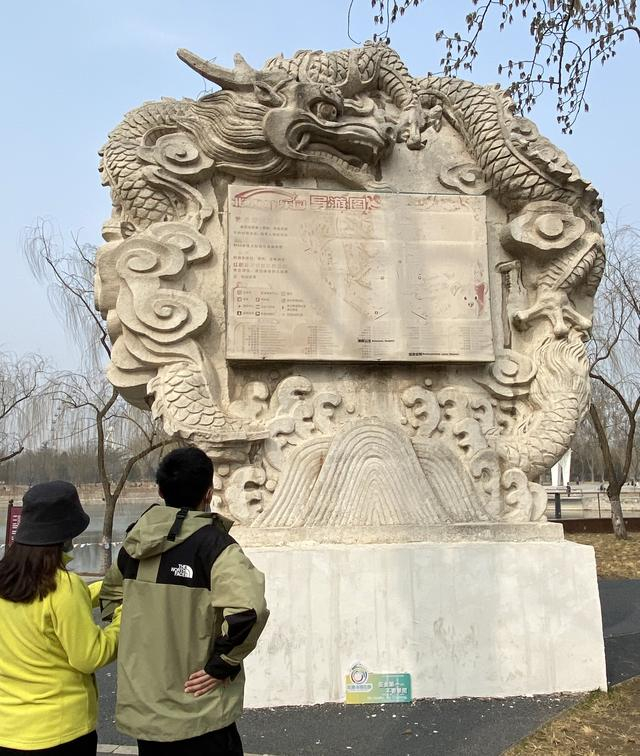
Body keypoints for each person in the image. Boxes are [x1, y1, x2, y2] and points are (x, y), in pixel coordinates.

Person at [100, 447, 269, 755]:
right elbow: (248, 611)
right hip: (199, 711)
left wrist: (134, 640)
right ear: (209, 493)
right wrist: (221, 665)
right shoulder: (215, 546)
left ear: (160, 491)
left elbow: (110, 596)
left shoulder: (134, 545)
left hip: (146, 708)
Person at [0, 481, 121, 754]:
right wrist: (122, 619)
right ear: (64, 538)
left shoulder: (9, 578)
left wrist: (105, 589)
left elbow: (45, 608)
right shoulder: (64, 586)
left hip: (8, 730)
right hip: (60, 730)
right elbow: (90, 656)